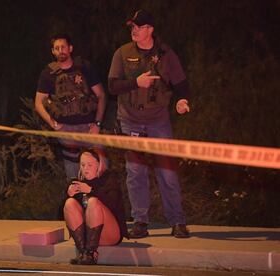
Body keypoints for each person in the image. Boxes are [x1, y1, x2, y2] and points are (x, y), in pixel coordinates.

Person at [108, 10, 191, 239]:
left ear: (150, 29)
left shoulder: (166, 54)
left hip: (158, 121)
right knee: (135, 172)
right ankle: (140, 222)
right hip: (130, 119)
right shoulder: (122, 53)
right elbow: (112, 86)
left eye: (139, 26)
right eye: (132, 26)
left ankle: (177, 221)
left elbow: (181, 84)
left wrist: (182, 101)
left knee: (167, 172)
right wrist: (136, 82)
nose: (134, 30)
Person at [35, 34, 107, 179]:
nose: (60, 50)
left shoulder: (85, 67)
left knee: (99, 168)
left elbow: (101, 95)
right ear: (53, 51)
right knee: (73, 174)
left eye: (63, 47)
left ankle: (101, 198)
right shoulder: (48, 74)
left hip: (89, 127)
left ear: (70, 48)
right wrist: (52, 122)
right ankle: (76, 199)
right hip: (66, 129)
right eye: (57, 48)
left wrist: (97, 123)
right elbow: (39, 102)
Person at [64, 149, 128, 265]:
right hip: (87, 236)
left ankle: (91, 253)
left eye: (89, 165)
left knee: (93, 202)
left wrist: (91, 191)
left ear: (99, 165)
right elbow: (62, 215)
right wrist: (68, 194)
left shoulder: (109, 178)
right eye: (83, 165)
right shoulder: (77, 183)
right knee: (69, 203)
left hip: (110, 233)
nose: (85, 168)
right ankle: (82, 252)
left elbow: (113, 203)